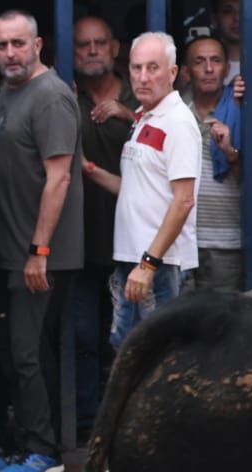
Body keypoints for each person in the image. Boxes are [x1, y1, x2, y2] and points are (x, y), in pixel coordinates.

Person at [0, 10, 85, 472]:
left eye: (18, 44)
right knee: (14, 351)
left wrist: (39, 249)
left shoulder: (51, 96)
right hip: (7, 250)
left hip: (39, 255)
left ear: (38, 44)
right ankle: (22, 443)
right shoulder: (9, 92)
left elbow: (58, 177)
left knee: (27, 353)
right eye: (1, 45)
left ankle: (44, 450)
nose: (10, 54)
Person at [82, 33, 198, 351]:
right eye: (136, 68)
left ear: (172, 73)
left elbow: (184, 200)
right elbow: (135, 189)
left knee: (152, 363)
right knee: (129, 354)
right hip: (135, 261)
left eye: (153, 68)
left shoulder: (177, 122)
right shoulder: (146, 117)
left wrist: (148, 265)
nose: (142, 77)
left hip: (159, 266)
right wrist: (88, 169)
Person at [70, 16, 136, 435]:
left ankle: (123, 425)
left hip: (129, 242)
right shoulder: (64, 97)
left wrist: (128, 114)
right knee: (81, 338)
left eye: (100, 43)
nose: (92, 51)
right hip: (76, 241)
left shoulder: (139, 96)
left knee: (126, 340)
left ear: (115, 48)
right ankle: (84, 426)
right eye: (83, 45)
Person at [181, 32, 245, 292]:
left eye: (216, 61)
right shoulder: (174, 111)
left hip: (225, 243)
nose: (208, 69)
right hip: (181, 241)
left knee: (223, 326)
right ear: (186, 71)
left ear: (227, 68)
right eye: (199, 62)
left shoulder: (241, 109)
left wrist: (230, 153)